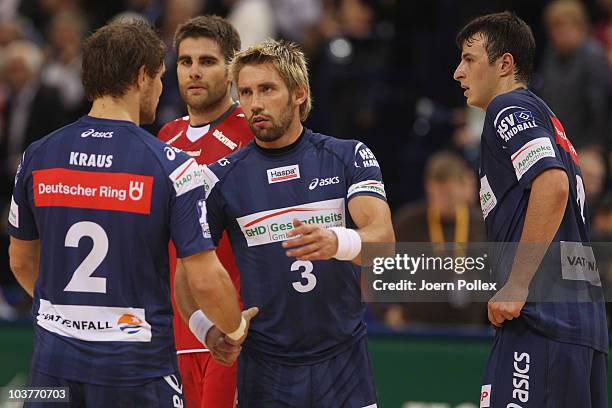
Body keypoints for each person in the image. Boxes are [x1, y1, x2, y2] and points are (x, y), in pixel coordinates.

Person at [7, 19, 253, 407]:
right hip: (136, 369)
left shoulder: (37, 154)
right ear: (142, 77)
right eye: (161, 75)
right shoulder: (168, 161)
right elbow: (205, 279)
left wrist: (71, 317)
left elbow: (20, 262)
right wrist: (235, 328)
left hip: (51, 367)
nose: (162, 87)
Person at [174, 39, 395, 408]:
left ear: (298, 93)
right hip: (265, 371)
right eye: (245, 92)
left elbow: (384, 242)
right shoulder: (219, 178)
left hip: (344, 366)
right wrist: (204, 329)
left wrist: (337, 241)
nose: (254, 103)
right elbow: (185, 273)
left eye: (267, 89)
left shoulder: (347, 156)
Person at [453, 11, 608, 407]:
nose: (458, 72)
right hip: (580, 324)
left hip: (542, 319)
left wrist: (518, 282)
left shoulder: (508, 109)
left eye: (469, 59)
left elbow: (552, 185)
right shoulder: (547, 119)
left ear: (505, 63)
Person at [157, 15, 253, 408]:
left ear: (231, 70)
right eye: (185, 61)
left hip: (235, 327)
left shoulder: (253, 131)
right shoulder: (167, 137)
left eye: (207, 61)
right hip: (179, 329)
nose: (194, 72)